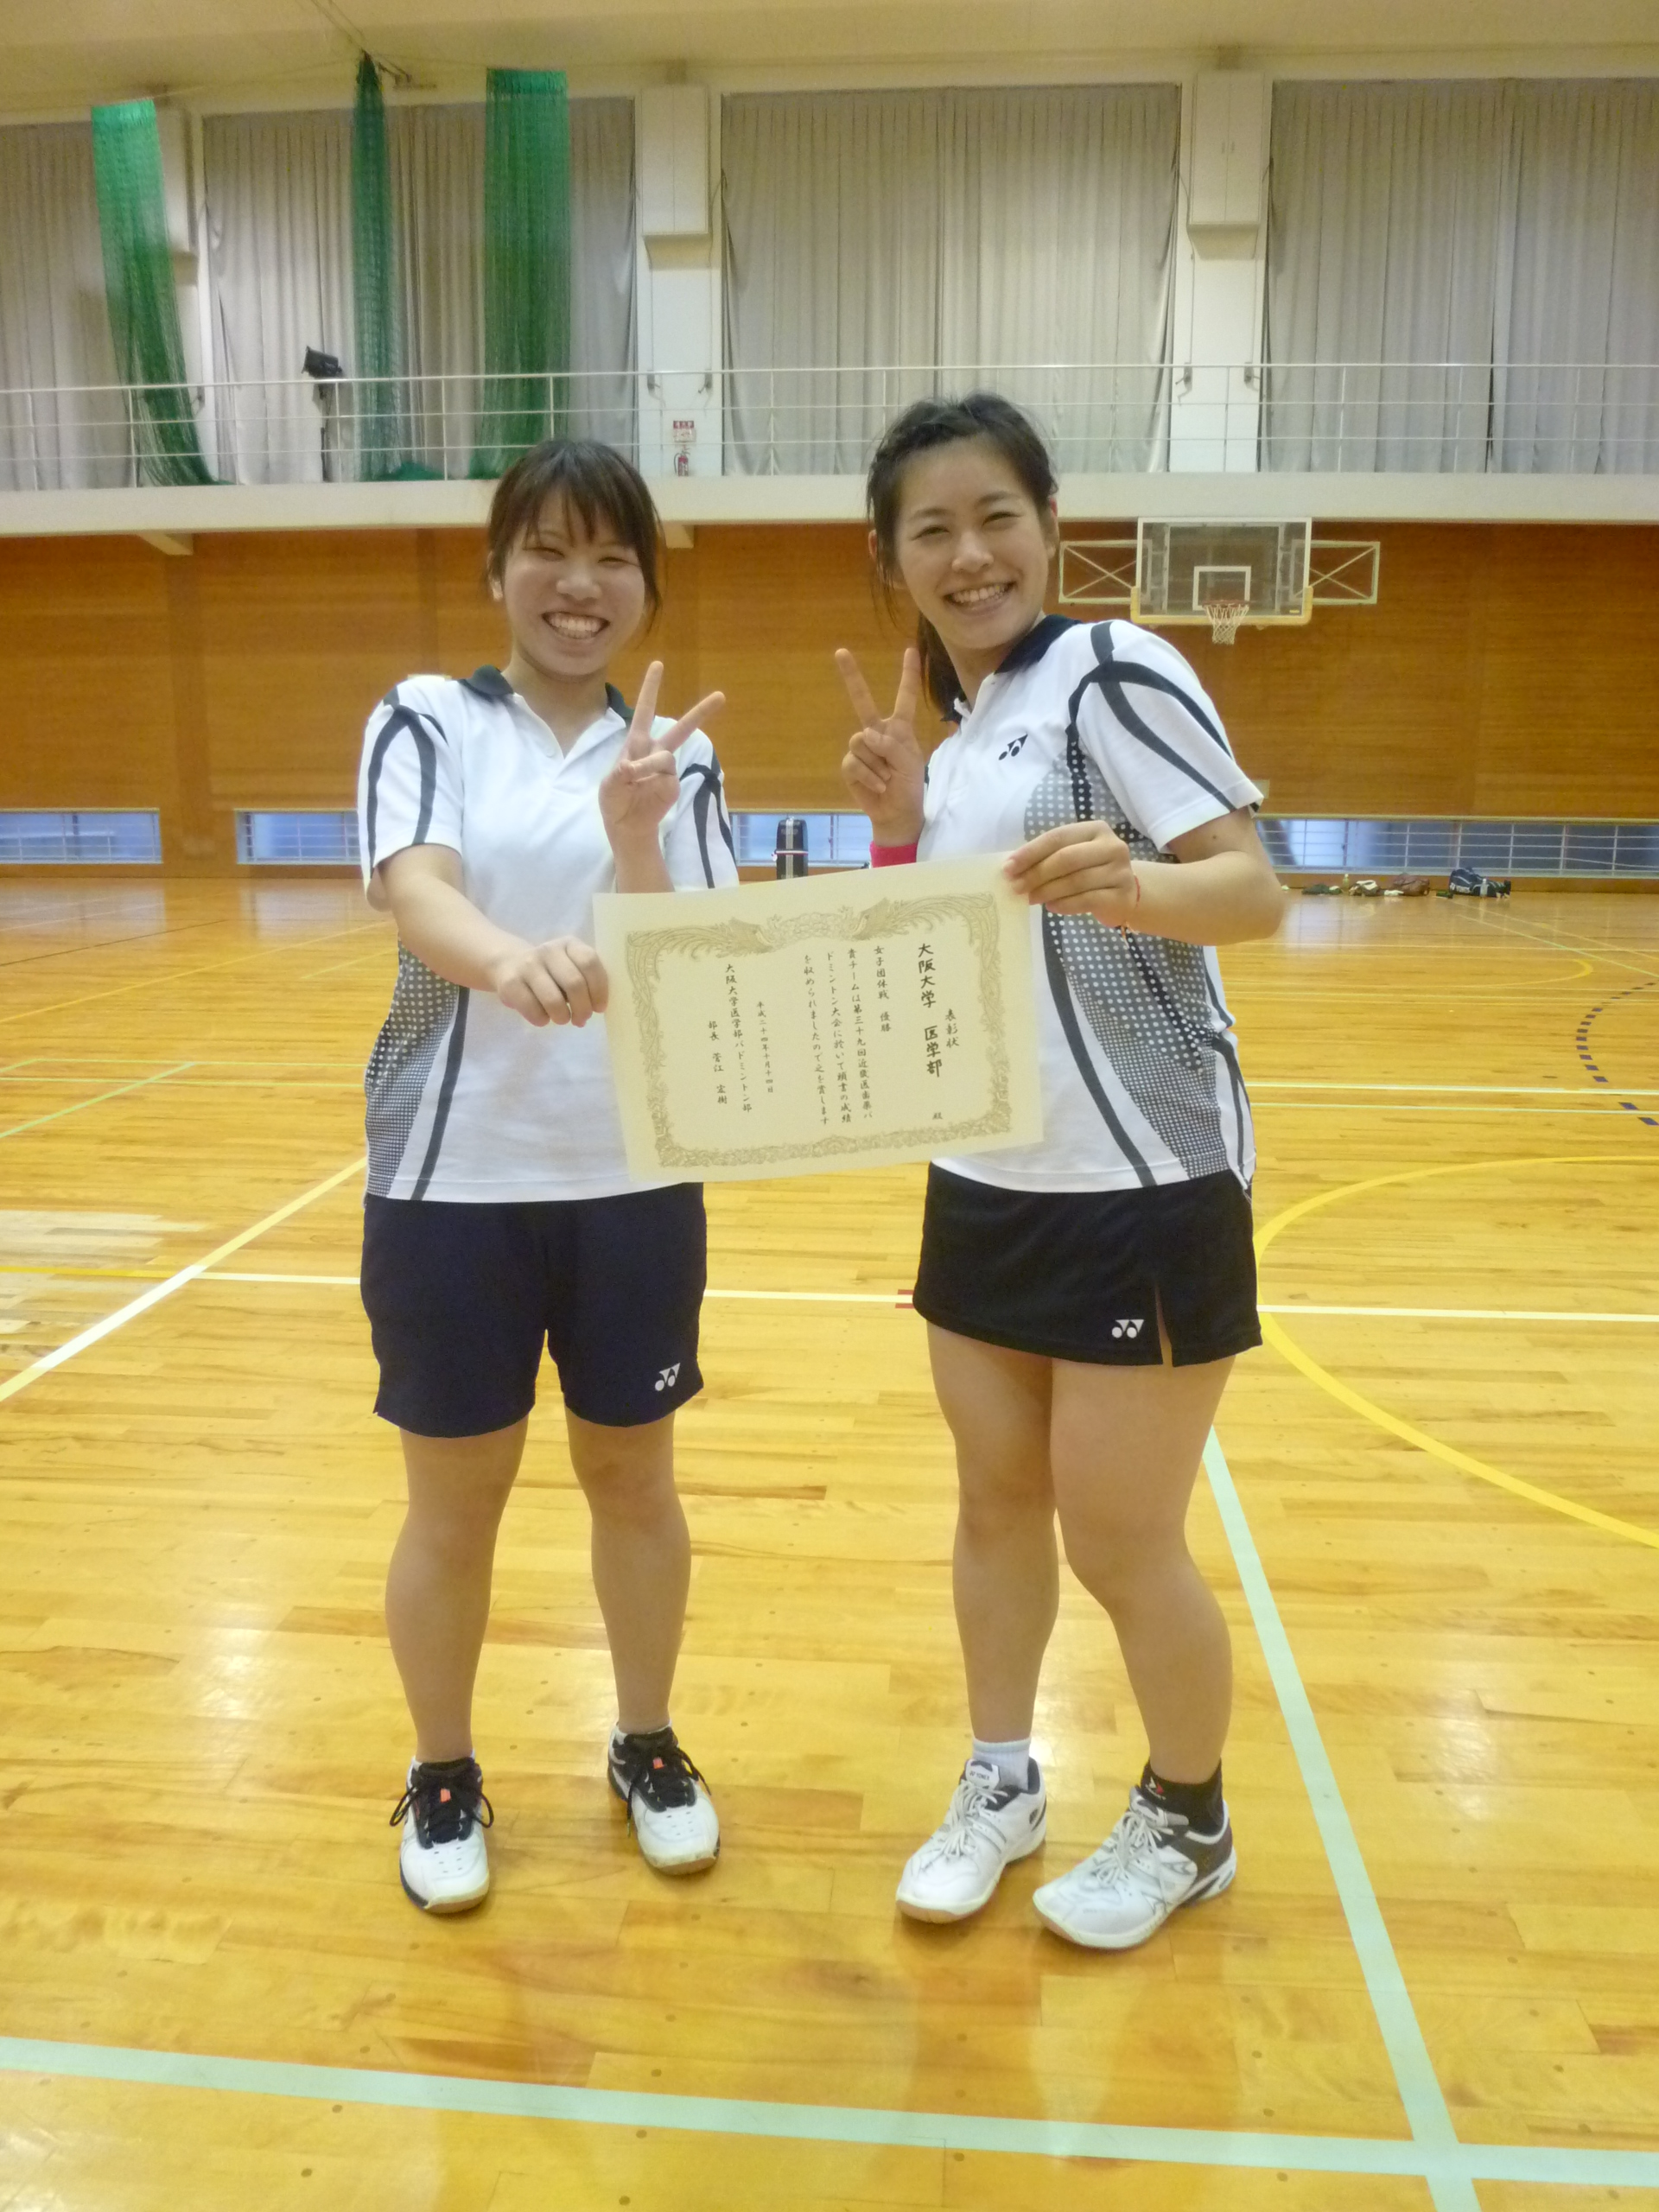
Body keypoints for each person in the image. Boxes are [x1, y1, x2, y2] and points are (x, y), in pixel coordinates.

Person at [836, 393, 1286, 1950]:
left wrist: (1138, 885)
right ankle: (1003, 1779)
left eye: (997, 517)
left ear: (1049, 527)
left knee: (1119, 1538)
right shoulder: (966, 736)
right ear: (894, 560)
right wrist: (900, 829)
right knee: (995, 1504)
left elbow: (1253, 891)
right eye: (933, 530)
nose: (970, 554)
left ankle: (1189, 1817)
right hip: (987, 1174)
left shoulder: (1110, 667)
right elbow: (948, 956)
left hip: (1141, 1177)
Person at [356, 437, 735, 1913]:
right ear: (497, 567)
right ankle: (442, 1770)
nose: (582, 585)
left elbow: (694, 954)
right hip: (453, 1183)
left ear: (645, 585)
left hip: (634, 1176)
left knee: (634, 1478)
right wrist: (511, 960)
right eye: (551, 551)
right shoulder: (429, 716)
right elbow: (417, 891)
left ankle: (645, 1741)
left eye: (613, 558)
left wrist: (638, 837)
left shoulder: (677, 749)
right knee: (454, 1504)